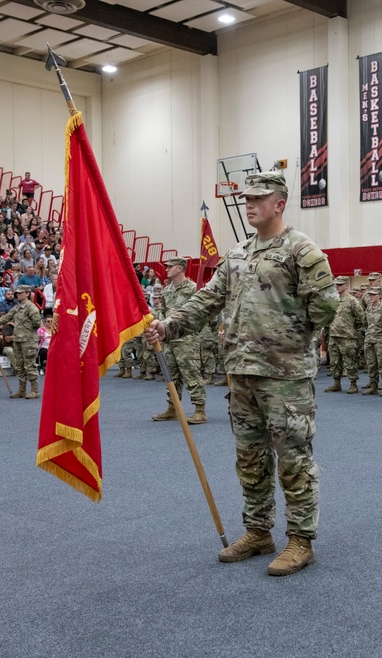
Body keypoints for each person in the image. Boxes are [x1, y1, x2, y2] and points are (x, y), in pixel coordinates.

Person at [144, 171, 338, 577]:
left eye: (257, 198)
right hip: (242, 374)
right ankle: (257, 531)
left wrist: (288, 338)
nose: (248, 204)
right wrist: (168, 325)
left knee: (293, 460)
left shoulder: (302, 251)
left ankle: (301, 540)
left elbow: (325, 307)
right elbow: (208, 300)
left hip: (285, 376)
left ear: (279, 203)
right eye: (245, 198)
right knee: (250, 458)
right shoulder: (236, 255)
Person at [150, 257, 208, 424]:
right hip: (170, 338)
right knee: (172, 376)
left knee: (191, 372)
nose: (166, 269)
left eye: (170, 267)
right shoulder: (167, 290)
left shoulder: (193, 288)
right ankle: (173, 408)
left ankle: (200, 410)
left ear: (181, 268)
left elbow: (199, 313)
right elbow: (164, 312)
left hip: (187, 338)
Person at [0, 285, 41, 399]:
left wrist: (26, 328)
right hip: (18, 340)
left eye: (20, 293)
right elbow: (5, 318)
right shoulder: (18, 307)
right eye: (17, 293)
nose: (18, 294)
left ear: (27, 293)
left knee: (29, 365)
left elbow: (37, 323)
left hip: (28, 340)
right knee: (19, 366)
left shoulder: (31, 307)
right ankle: (22, 390)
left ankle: (34, 390)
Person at [325, 276, 364, 393]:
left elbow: (360, 318)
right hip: (334, 335)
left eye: (340, 285)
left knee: (350, 361)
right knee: (334, 361)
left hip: (347, 336)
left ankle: (353, 384)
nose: (337, 287)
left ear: (346, 285)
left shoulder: (352, 300)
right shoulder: (333, 300)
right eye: (336, 285)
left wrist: (352, 330)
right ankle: (336, 383)